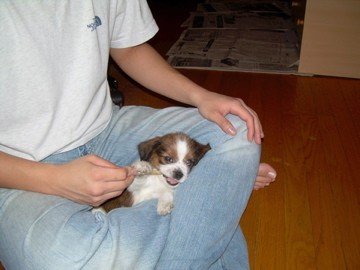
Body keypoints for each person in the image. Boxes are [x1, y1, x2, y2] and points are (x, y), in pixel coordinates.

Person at [0, 1, 276, 269]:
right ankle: (211, 194)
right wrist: (55, 179)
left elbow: (129, 48)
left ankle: (207, 196)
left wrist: (200, 96)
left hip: (106, 127)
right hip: (19, 168)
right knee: (65, 259)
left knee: (238, 129)